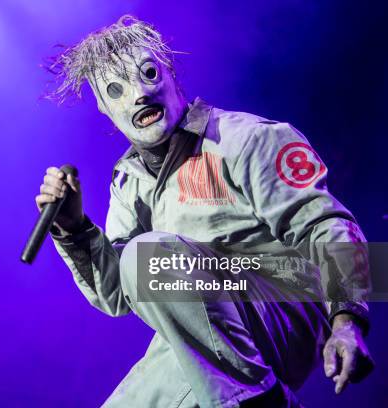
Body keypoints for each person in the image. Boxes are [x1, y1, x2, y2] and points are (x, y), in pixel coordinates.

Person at [35, 15, 374, 407]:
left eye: (148, 73)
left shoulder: (246, 138)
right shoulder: (128, 182)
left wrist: (347, 319)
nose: (138, 95)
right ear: (105, 110)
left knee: (149, 257)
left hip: (278, 303)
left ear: (171, 74)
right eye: (117, 89)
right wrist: (75, 229)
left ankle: (249, 399)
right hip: (208, 331)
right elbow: (117, 297)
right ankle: (254, 396)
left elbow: (328, 224)